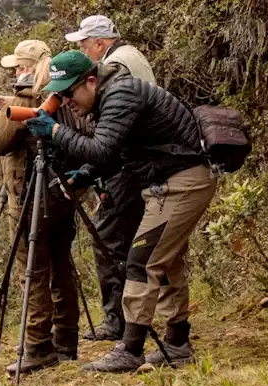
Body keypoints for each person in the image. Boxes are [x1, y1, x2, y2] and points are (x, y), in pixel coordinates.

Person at [33, 51, 218, 372]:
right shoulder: (112, 94)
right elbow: (115, 152)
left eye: (68, 92)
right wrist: (85, 175)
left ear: (91, 81)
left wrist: (54, 132)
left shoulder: (120, 94)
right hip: (175, 176)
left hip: (183, 179)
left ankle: (131, 349)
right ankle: (176, 344)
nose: (64, 101)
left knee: (143, 260)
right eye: (58, 94)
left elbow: (102, 148)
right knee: (165, 260)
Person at [0, 40, 89, 375]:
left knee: (33, 270)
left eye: (17, 66)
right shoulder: (62, 94)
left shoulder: (25, 100)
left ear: (27, 67)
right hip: (63, 190)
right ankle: (66, 338)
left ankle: (38, 345)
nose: (14, 72)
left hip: (30, 194)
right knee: (60, 261)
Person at [64, 14, 158, 341]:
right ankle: (136, 318)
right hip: (142, 160)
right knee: (135, 242)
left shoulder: (115, 66)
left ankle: (118, 321)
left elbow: (113, 131)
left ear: (100, 43)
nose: (82, 51)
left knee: (108, 238)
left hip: (127, 164)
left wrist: (91, 165)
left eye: (84, 44)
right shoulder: (133, 55)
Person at [65, 15, 156, 85]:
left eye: (84, 48)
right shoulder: (130, 51)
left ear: (99, 44)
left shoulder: (112, 66)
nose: (84, 54)